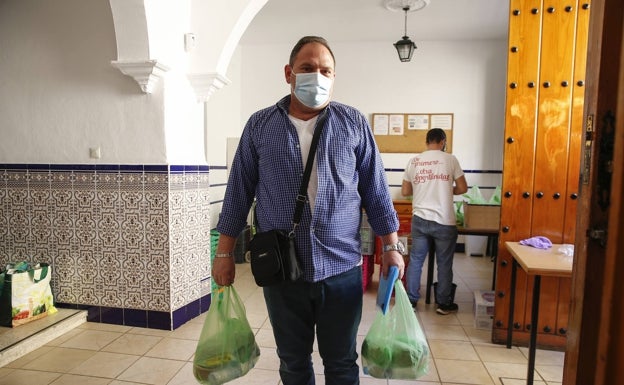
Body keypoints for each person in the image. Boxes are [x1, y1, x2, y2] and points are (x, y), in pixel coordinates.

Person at [212, 36, 405, 385]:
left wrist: (391, 247)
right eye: (307, 68)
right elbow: (238, 193)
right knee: (293, 363)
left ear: (333, 77)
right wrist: (224, 252)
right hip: (282, 271)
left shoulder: (353, 123)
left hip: (342, 268)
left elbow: (376, 192)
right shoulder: (260, 125)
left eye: (325, 70)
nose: (317, 76)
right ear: (289, 73)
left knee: (342, 363)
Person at [401, 128, 468, 315]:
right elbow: (463, 188)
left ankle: (411, 301)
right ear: (443, 141)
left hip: (420, 219)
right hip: (444, 220)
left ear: (427, 141)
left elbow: (405, 192)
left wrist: (424, 189)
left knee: (415, 261)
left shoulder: (414, 161)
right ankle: (443, 304)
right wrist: (446, 189)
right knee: (444, 263)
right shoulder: (450, 159)